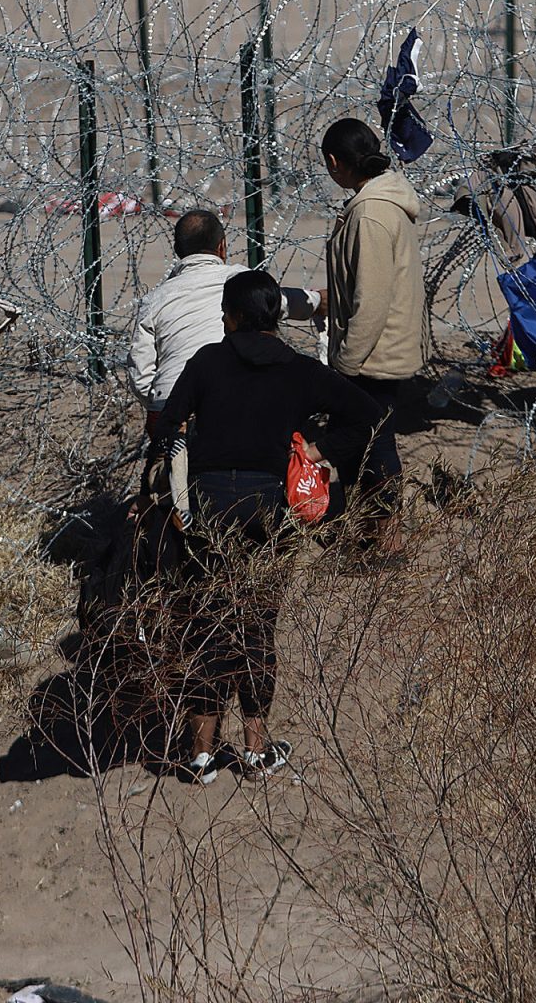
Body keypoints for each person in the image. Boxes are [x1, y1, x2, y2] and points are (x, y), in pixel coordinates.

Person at [155, 270, 383, 785]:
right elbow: (367, 414)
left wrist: (189, 449)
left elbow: (169, 423)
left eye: (225, 311)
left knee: (208, 624)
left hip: (209, 508)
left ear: (233, 317)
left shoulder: (209, 361)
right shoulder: (299, 370)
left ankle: (201, 754)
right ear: (276, 316)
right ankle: (256, 751)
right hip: (268, 510)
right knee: (257, 625)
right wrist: (317, 452)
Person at [319, 118, 432, 556]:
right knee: (365, 439)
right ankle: (369, 531)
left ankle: (387, 540)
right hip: (388, 346)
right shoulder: (381, 203)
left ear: (335, 163)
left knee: (375, 442)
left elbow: (372, 299)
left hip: (375, 354)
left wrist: (345, 363)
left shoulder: (370, 215)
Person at [128, 210, 248, 438]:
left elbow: (140, 373)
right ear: (222, 246)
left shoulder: (156, 299)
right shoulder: (242, 281)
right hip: (235, 404)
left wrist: (160, 402)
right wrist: (317, 301)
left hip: (172, 411)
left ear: (177, 251)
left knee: (166, 468)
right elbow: (278, 301)